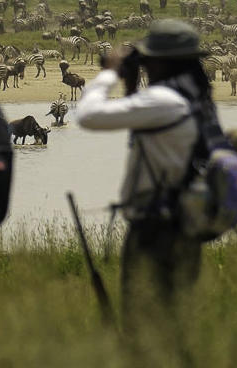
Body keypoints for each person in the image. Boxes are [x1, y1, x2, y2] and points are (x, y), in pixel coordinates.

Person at [75, 19, 218, 362]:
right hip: (186, 227)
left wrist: (109, 73)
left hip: (155, 232)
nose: (145, 65)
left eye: (149, 59)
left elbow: (89, 116)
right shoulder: (196, 98)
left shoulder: (165, 101)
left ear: (163, 63)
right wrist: (131, 85)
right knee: (174, 328)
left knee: (142, 334)